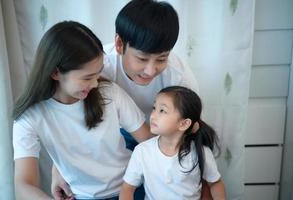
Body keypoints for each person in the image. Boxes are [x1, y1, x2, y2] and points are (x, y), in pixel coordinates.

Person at [52, 0, 213, 199]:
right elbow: (69, 118)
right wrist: (57, 169)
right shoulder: (99, 67)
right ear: (120, 44)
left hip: (162, 138)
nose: (150, 70)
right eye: (142, 59)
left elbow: (192, 133)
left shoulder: (178, 76)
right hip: (112, 137)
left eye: (162, 59)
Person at [13, 21, 151, 200]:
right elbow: (23, 185)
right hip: (83, 196)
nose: (95, 84)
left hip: (130, 188)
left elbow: (148, 141)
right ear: (55, 73)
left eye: (97, 74)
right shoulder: (29, 117)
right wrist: (56, 172)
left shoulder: (108, 93)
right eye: (87, 78)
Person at [119, 86, 226, 200]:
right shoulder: (142, 151)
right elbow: (127, 188)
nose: (153, 115)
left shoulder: (201, 152)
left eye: (162, 110)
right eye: (154, 108)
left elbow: (215, 183)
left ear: (184, 124)